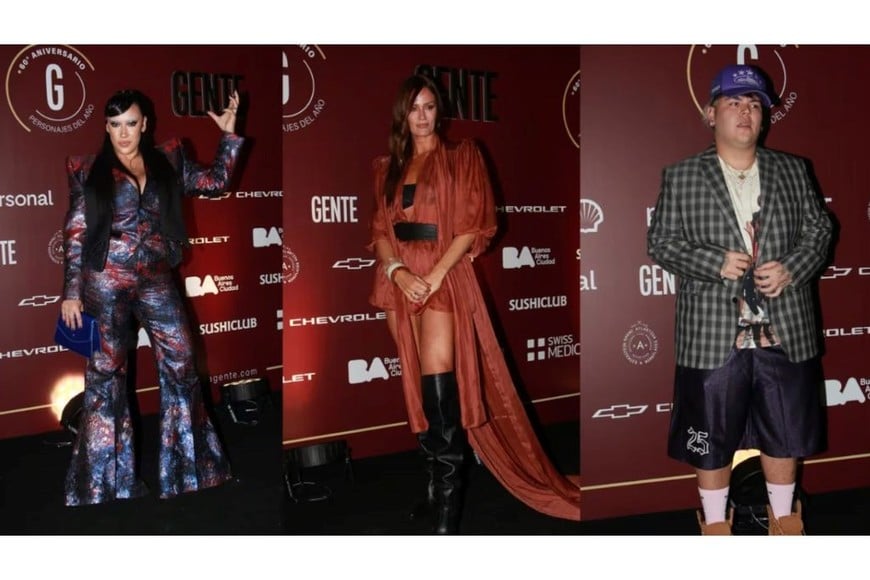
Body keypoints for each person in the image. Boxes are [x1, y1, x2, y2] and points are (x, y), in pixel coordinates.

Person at [368, 74, 580, 534]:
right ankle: (431, 490)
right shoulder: (386, 167)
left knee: (440, 385)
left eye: (429, 107)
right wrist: (398, 273)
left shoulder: (462, 156)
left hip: (440, 273)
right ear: (402, 114)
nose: (422, 116)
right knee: (420, 388)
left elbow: (471, 226)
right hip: (399, 281)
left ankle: (448, 506)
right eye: (414, 108)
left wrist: (435, 274)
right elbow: (381, 234)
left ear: (438, 112)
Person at [647, 64, 832, 535]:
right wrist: (714, 262)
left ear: (765, 117)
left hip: (784, 330)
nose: (745, 112)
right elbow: (661, 242)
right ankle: (715, 528)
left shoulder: (793, 169)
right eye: (733, 103)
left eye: (754, 104)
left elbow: (819, 229)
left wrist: (792, 267)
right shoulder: (683, 175)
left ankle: (784, 522)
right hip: (712, 333)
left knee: (785, 432)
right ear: (711, 113)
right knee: (709, 439)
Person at [59, 88, 244, 506]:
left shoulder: (168, 161)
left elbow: (216, 181)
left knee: (181, 360)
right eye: (115, 125)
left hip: (156, 276)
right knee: (106, 375)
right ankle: (105, 484)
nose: (123, 133)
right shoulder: (88, 169)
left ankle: (188, 471)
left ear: (145, 125)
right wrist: (70, 292)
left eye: (130, 123)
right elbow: (74, 233)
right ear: (106, 128)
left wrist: (229, 137)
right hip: (105, 278)